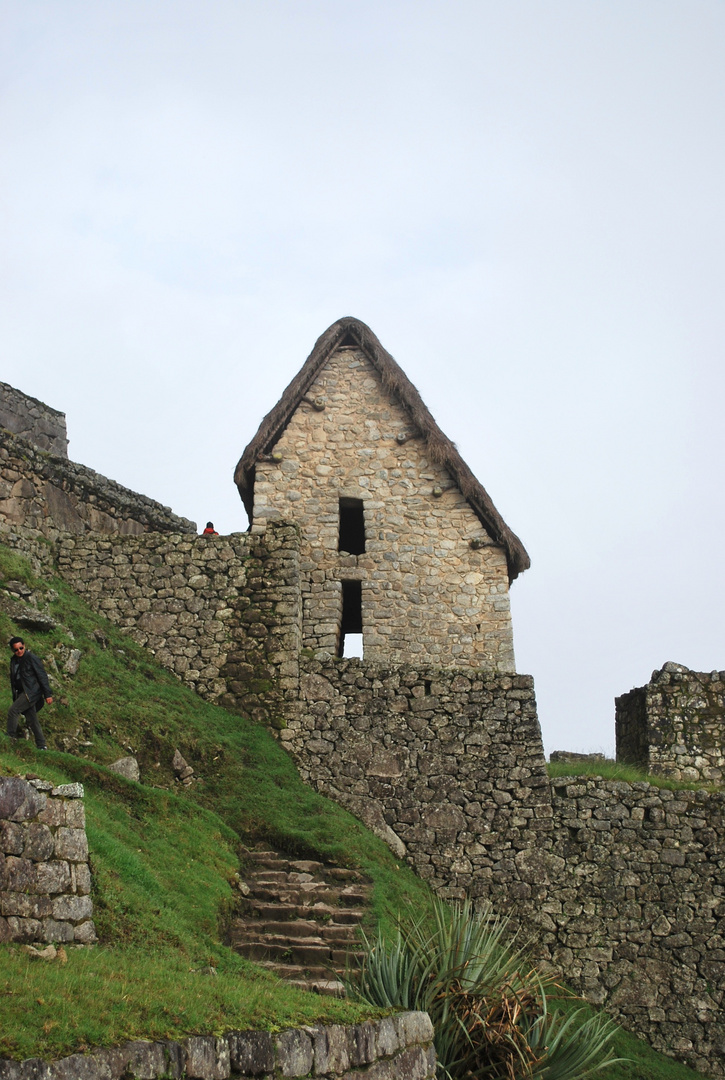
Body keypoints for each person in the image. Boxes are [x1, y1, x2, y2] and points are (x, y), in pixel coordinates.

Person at [7, 637, 52, 750]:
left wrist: (48, 694)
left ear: (24, 646)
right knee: (32, 719)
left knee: (13, 710)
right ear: (13, 650)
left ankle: (10, 738)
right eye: (16, 649)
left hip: (30, 692)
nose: (19, 651)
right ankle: (42, 746)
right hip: (21, 692)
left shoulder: (31, 658)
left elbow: (42, 676)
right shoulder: (13, 660)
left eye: (21, 648)